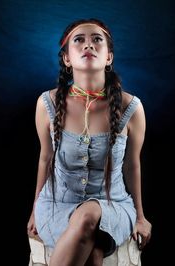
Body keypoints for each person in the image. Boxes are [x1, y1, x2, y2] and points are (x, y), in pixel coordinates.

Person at [27, 18, 152, 266]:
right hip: (57, 205)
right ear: (66, 59)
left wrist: (140, 215)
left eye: (97, 40)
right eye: (79, 40)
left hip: (113, 204)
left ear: (108, 58)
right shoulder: (47, 104)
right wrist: (34, 208)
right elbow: (45, 158)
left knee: (89, 214)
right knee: (93, 255)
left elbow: (132, 165)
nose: (89, 45)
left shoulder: (131, 108)